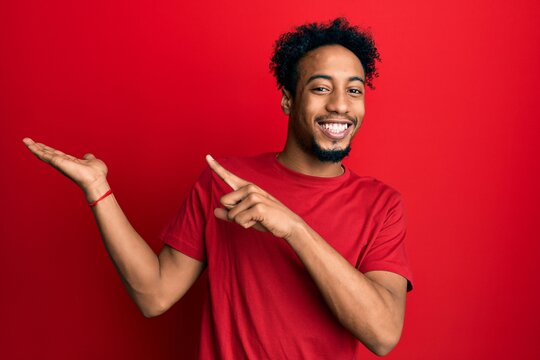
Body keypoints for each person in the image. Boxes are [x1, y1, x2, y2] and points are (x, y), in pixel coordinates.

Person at [23, 17, 413, 358]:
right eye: (322, 88)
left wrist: (294, 228)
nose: (341, 106)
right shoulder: (224, 181)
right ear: (288, 100)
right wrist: (98, 190)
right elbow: (154, 295)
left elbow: (382, 335)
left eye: (355, 90)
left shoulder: (382, 205)